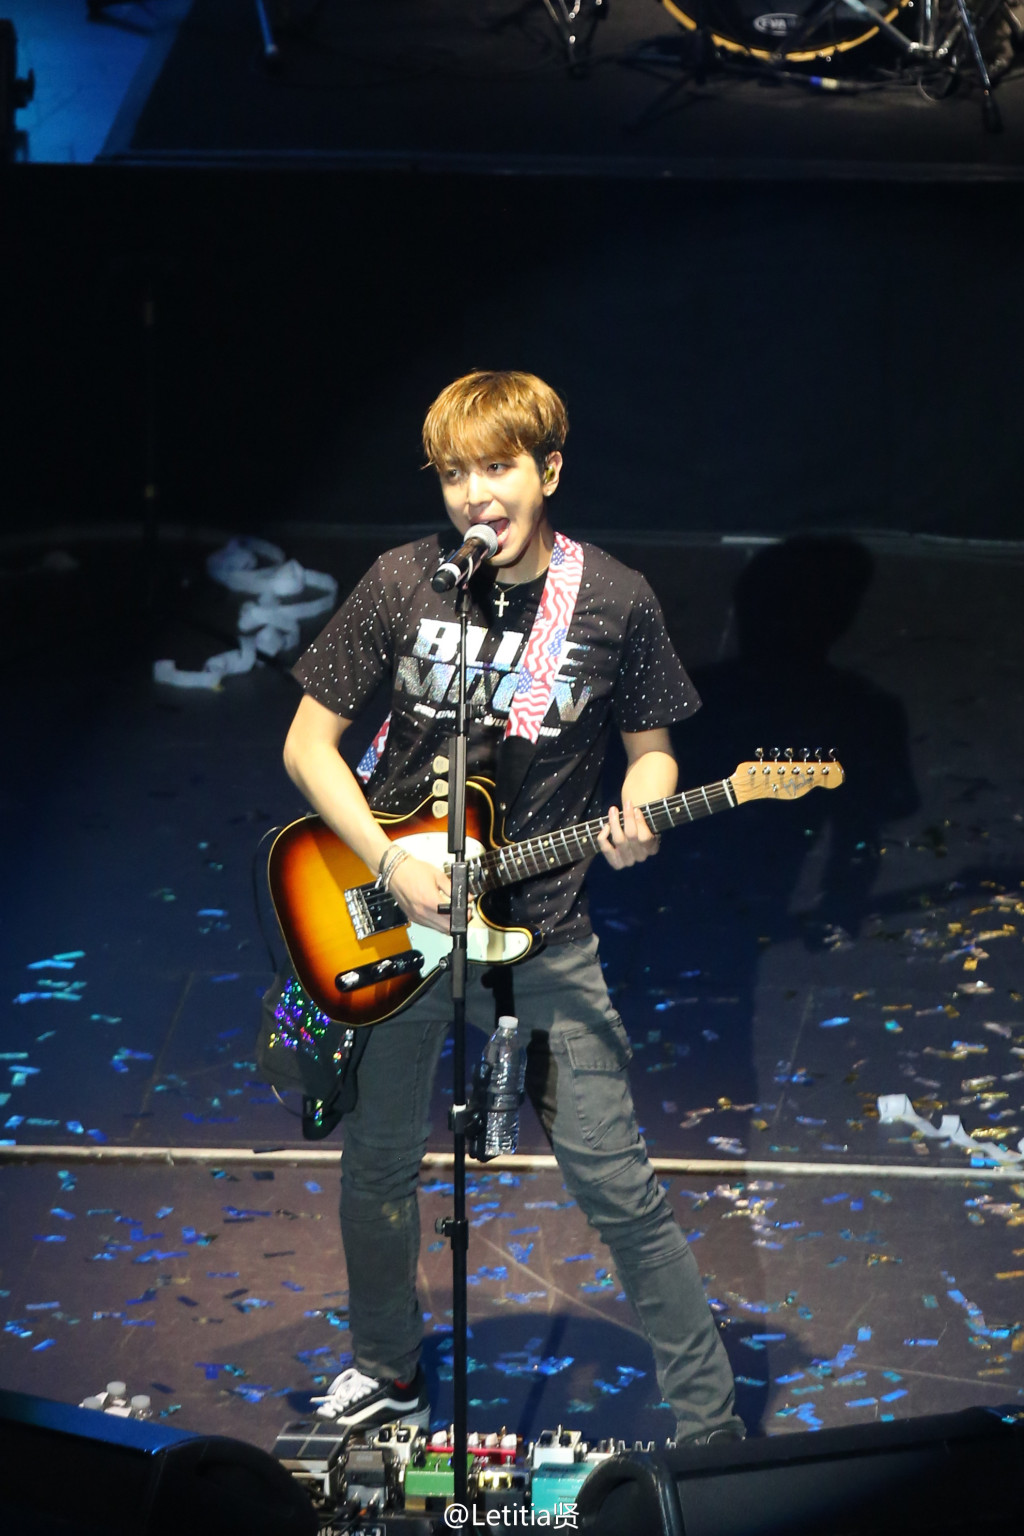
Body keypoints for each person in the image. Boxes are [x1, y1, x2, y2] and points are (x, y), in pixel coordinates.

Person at [282, 369, 745, 1445]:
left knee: (617, 1182)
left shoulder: (615, 599)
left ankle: (712, 1431)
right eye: (455, 474)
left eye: (497, 468)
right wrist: (386, 863)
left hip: (545, 934)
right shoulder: (405, 581)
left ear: (549, 471)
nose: (475, 495)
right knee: (379, 1165)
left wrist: (642, 811)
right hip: (399, 920)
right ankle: (387, 1367)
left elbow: (652, 754)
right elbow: (307, 746)